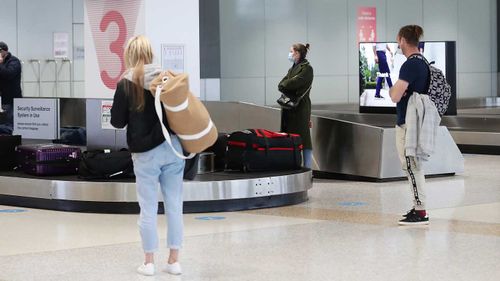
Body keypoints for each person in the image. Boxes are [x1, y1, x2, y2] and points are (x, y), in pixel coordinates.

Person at [110, 35, 185, 276]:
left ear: (130, 54)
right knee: (175, 205)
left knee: (148, 207)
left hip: (145, 154)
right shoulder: (166, 78)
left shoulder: (126, 83)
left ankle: (149, 261)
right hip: (173, 148)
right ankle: (174, 261)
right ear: (150, 53)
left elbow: (117, 122)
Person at [389, 25, 435, 225]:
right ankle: (418, 206)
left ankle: (421, 211)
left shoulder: (410, 65)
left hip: (408, 123)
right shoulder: (423, 61)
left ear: (402, 40)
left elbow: (394, 95)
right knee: (413, 166)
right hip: (414, 120)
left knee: (411, 166)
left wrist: (396, 89)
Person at [278, 43, 314, 169]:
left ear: (297, 53)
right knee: (290, 138)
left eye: (291, 51)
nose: (290, 54)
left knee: (303, 140)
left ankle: (308, 169)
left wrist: (286, 85)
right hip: (289, 107)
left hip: (300, 108)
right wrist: (286, 85)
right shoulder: (292, 68)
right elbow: (281, 84)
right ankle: (294, 166)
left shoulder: (307, 69)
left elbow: (296, 83)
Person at [0, 41, 22, 134]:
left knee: (10, 123)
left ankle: (11, 144)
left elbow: (9, 74)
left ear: (5, 51)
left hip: (11, 98)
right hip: (2, 98)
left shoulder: (14, 61)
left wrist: (0, 64)